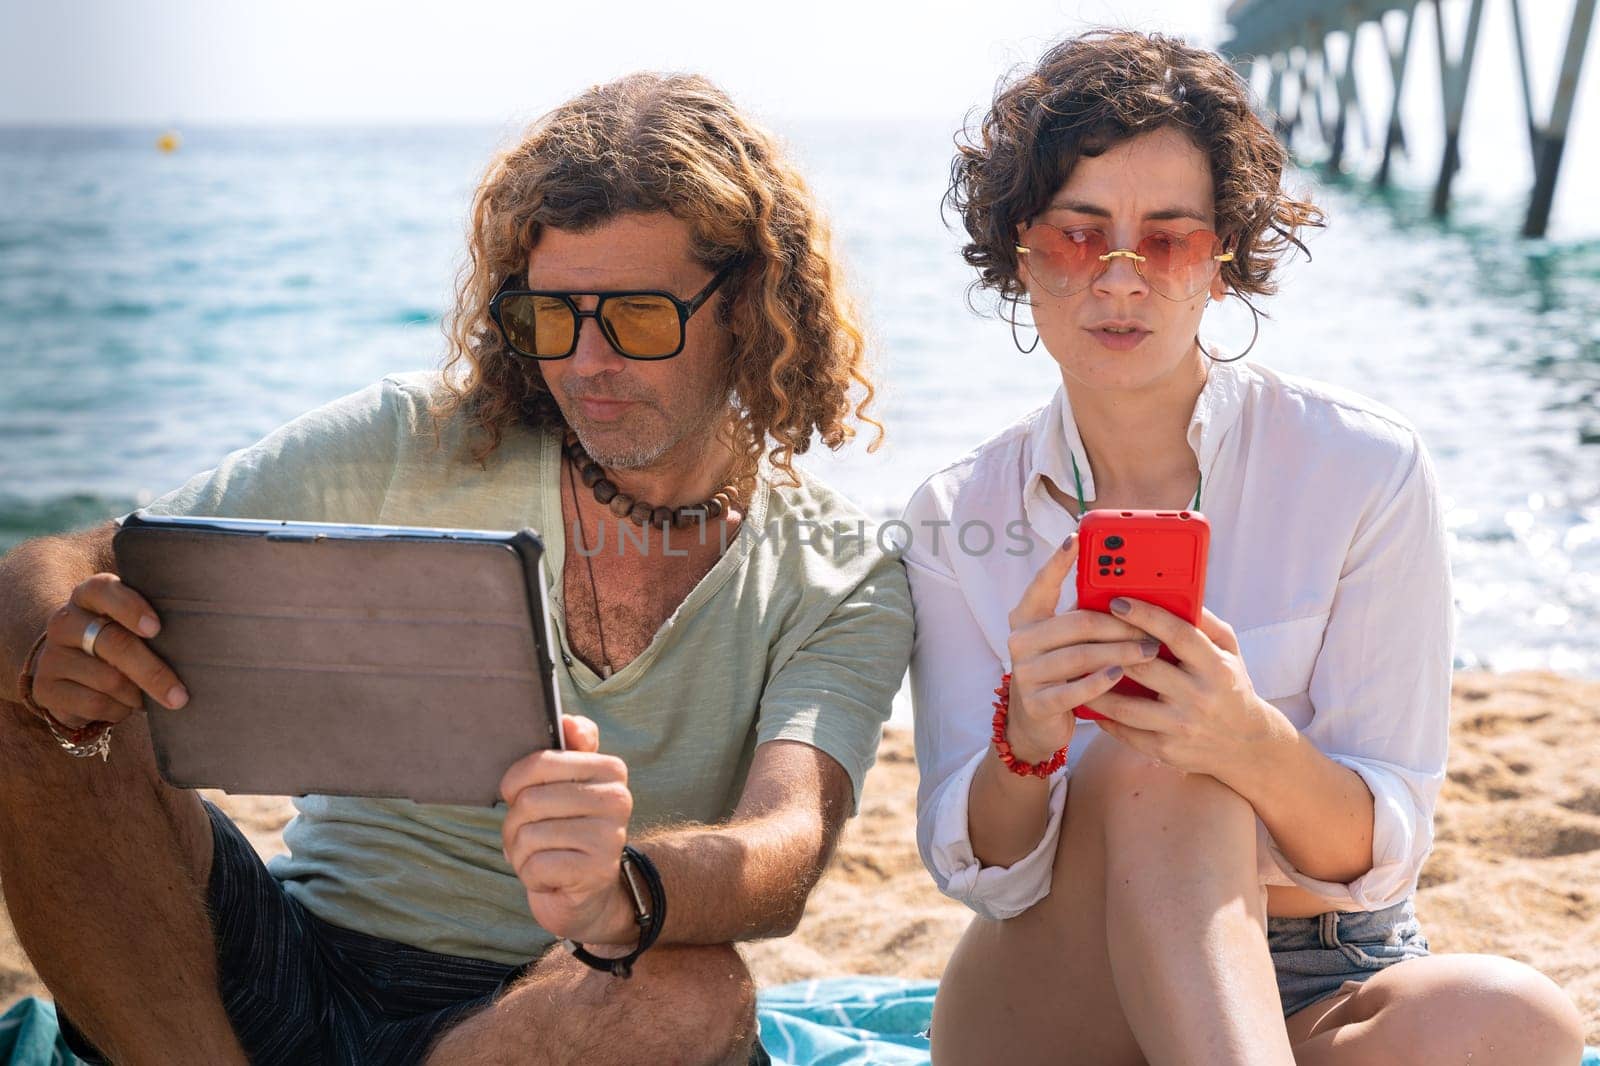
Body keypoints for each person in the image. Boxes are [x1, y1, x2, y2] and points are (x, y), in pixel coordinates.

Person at [0, 72, 913, 1066]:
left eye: (638, 319)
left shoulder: (840, 565)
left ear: (750, 306)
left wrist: (625, 887)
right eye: (551, 317)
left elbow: (787, 840)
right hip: (280, 975)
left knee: (692, 990)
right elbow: (61, 559)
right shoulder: (415, 438)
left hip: (544, 1015)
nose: (586, 363)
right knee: (33, 675)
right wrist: (65, 644)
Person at [900, 29, 1585, 1066]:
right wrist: (1027, 733)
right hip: (1055, 985)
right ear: (1020, 252)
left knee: (1512, 1016)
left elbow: (1379, 849)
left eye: (1166, 240)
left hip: (1321, 963)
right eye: (1079, 236)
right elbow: (980, 873)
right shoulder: (956, 514)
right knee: (1153, 755)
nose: (1120, 281)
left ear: (1221, 261)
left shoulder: (1360, 466)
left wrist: (1246, 740)